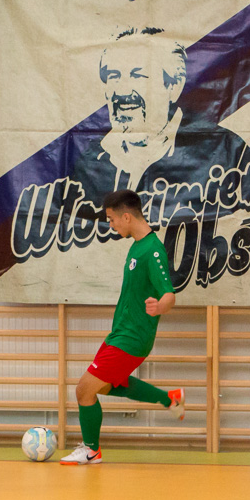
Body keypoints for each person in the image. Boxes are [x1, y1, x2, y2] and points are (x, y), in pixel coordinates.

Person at [72, 26, 250, 222]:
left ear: (173, 86)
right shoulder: (89, 162)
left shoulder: (227, 152)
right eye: (114, 76)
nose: (122, 91)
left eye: (138, 76)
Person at [60, 189, 184, 465]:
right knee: (103, 387)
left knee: (84, 390)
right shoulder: (136, 246)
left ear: (126, 217)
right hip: (119, 333)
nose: (111, 225)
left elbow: (169, 294)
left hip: (133, 337)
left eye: (112, 219)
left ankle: (91, 450)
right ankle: (169, 399)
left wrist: (160, 306)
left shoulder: (152, 250)